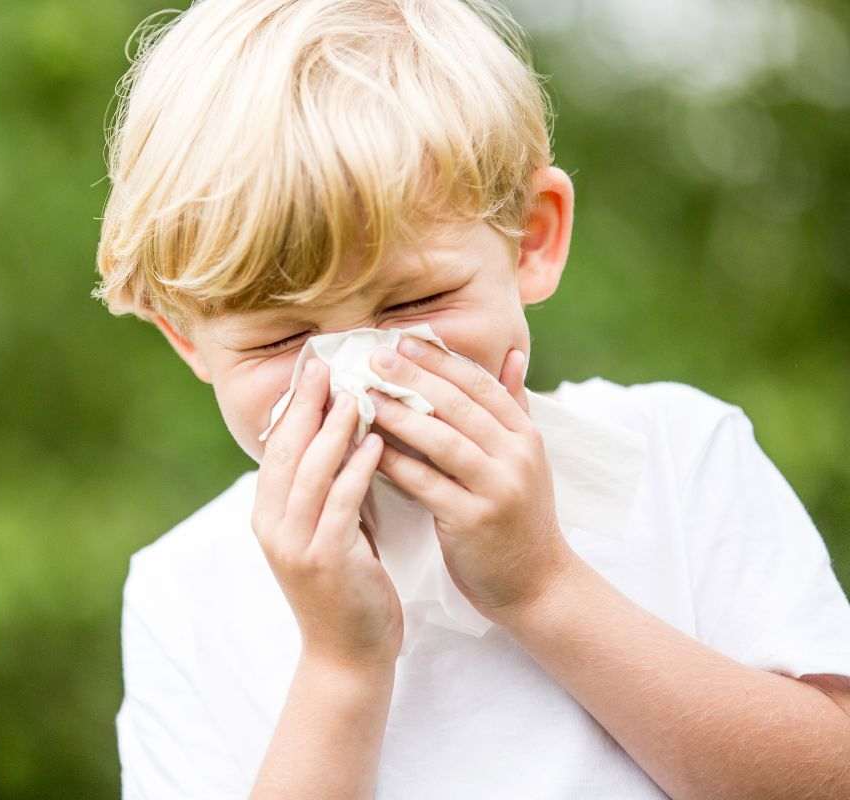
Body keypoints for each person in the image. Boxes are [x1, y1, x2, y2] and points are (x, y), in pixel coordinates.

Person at [92, 1, 850, 797]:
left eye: (413, 303)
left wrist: (543, 586)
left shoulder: (672, 454)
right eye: (281, 340)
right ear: (189, 340)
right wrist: (340, 663)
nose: (364, 371)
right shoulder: (187, 587)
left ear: (532, 241)